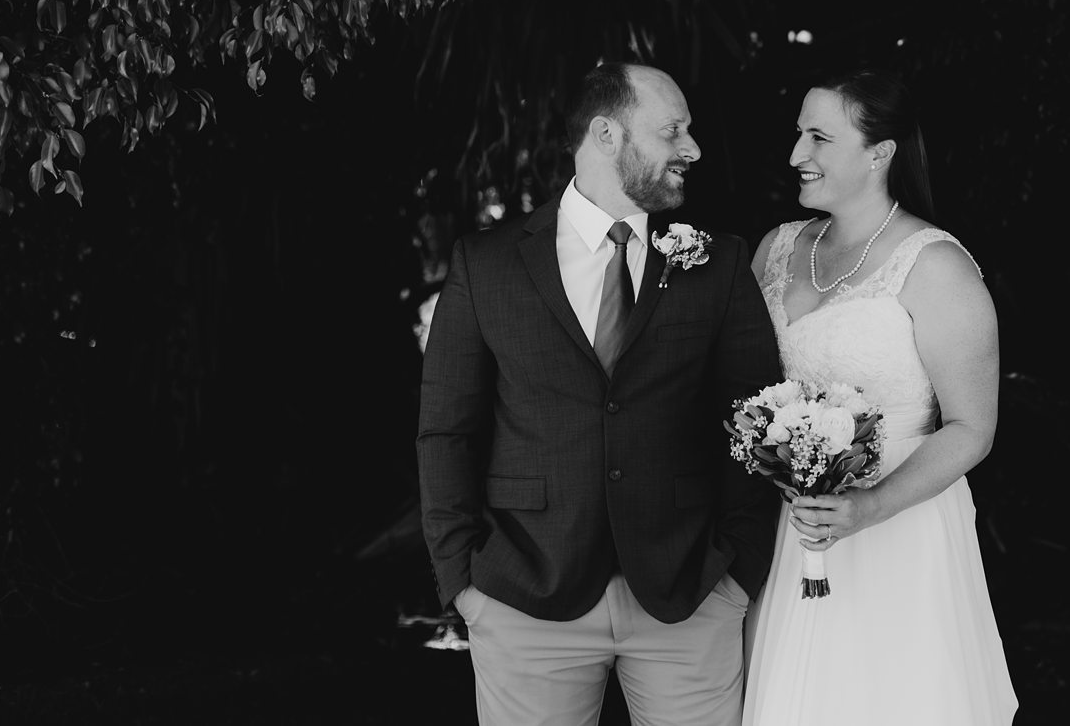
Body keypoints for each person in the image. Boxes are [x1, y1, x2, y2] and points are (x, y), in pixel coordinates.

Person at [418, 62, 782, 726]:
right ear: (608, 134)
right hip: (525, 594)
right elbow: (448, 430)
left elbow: (754, 418)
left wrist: (738, 576)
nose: (693, 148)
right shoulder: (488, 263)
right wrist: (463, 586)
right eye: (673, 130)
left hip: (689, 594)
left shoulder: (718, 262)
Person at [742, 69, 1019, 725]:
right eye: (797, 134)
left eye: (817, 137)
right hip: (793, 524)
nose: (795, 155)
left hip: (904, 526)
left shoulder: (937, 266)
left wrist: (868, 507)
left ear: (879, 152)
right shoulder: (776, 250)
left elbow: (972, 426)